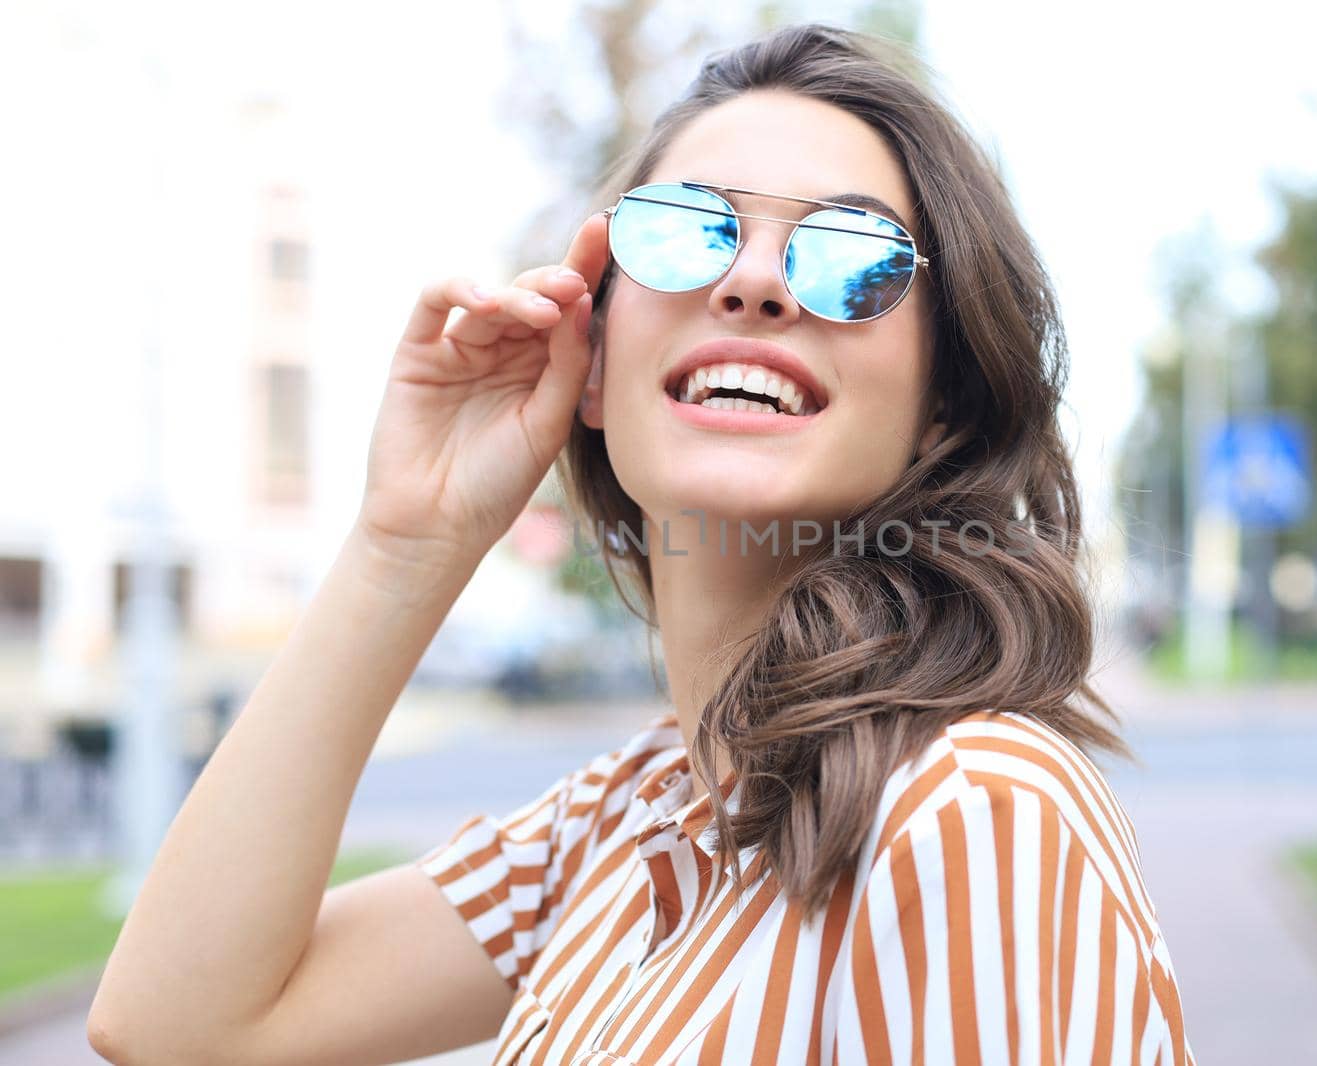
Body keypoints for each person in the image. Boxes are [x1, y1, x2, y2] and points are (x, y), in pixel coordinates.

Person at [88, 22, 1196, 1066]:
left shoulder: (970, 808)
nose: (754, 279)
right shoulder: (627, 815)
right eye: (683, 229)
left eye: (852, 253)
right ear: (595, 351)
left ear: (943, 402)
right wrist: (406, 541)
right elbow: (180, 1020)